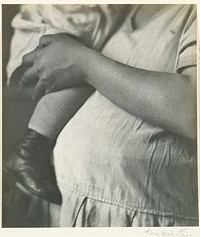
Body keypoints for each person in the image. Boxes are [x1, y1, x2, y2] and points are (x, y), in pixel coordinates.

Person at [5, 4, 198, 226]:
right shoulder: (115, 13)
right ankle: (29, 147)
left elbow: (192, 112)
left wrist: (83, 63)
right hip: (65, 212)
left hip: (141, 221)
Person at [4, 4, 127, 205]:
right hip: (50, 29)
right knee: (83, 71)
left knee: (94, 69)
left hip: (82, 30)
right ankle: (27, 153)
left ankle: (29, 158)